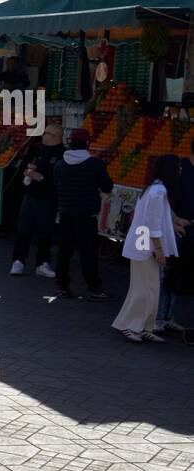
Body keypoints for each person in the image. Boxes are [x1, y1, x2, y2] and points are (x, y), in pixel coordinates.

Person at [112, 155, 182, 342]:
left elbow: (155, 220)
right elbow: (153, 223)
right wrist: (158, 249)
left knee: (147, 288)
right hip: (145, 246)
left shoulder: (154, 188)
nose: (180, 171)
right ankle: (130, 325)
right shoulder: (159, 191)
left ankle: (141, 326)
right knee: (145, 288)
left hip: (142, 244)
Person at [54, 128, 114, 301]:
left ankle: (62, 286)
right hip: (86, 215)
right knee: (88, 253)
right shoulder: (95, 164)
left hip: (65, 214)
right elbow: (107, 186)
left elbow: (55, 186)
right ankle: (94, 288)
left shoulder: (60, 164)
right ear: (87, 143)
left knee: (64, 251)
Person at [11, 122, 65, 277]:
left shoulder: (62, 154)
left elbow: (59, 179)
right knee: (23, 229)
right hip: (30, 195)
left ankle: (42, 263)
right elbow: (24, 166)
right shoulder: (36, 149)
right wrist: (28, 173)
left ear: (55, 137)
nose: (43, 136)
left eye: (46, 133)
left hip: (48, 198)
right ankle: (18, 261)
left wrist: (41, 178)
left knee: (45, 231)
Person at [156, 137, 194, 331]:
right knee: (167, 274)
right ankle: (158, 317)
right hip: (175, 231)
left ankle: (170, 316)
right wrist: (175, 220)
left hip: (187, 229)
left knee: (182, 275)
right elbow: (164, 204)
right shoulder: (179, 169)